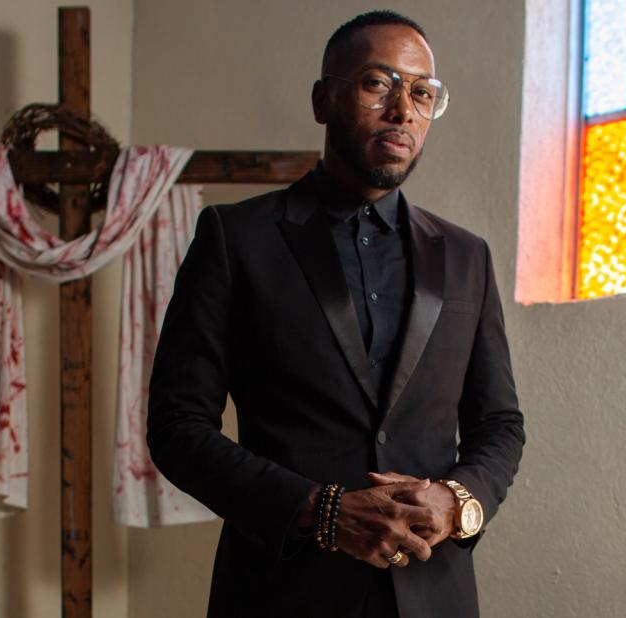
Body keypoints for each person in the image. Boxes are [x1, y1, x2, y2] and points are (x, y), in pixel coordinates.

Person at [146, 10, 525, 618]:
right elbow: (177, 425)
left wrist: (458, 502)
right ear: (324, 99)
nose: (404, 110)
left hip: (435, 596)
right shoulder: (234, 237)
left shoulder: (467, 257)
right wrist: (322, 512)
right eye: (380, 83)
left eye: (422, 93)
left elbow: (500, 423)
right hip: (280, 594)